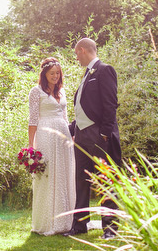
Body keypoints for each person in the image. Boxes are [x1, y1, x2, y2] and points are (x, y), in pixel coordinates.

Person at [64, 38, 122, 240]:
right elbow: (84, 105)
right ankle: (79, 226)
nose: (76, 58)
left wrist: (105, 133)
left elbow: (110, 104)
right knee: (81, 179)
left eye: (76, 54)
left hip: (98, 134)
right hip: (81, 135)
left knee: (106, 180)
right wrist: (73, 128)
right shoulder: (87, 74)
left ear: (82, 50)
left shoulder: (104, 70)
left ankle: (111, 229)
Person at [28, 57, 76, 235]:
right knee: (48, 175)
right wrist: (30, 146)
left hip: (63, 136)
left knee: (63, 174)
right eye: (52, 73)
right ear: (44, 74)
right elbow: (33, 119)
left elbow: (65, 117)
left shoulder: (62, 92)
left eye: (58, 73)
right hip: (46, 134)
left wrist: (72, 137)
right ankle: (46, 222)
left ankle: (66, 220)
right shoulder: (36, 91)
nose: (55, 76)